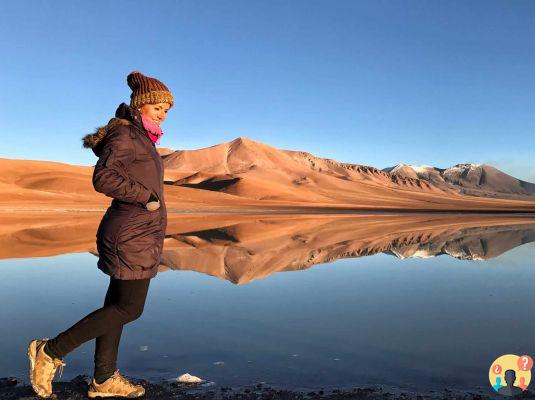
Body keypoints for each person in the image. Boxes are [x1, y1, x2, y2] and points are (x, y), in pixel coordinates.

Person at [27, 71, 173, 398]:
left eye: (167, 109)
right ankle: (50, 350)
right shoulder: (127, 137)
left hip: (138, 232)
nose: (163, 113)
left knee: (117, 304)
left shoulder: (141, 139)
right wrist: (146, 198)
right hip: (130, 234)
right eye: (157, 107)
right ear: (140, 106)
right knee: (130, 308)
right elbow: (104, 178)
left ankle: (104, 379)